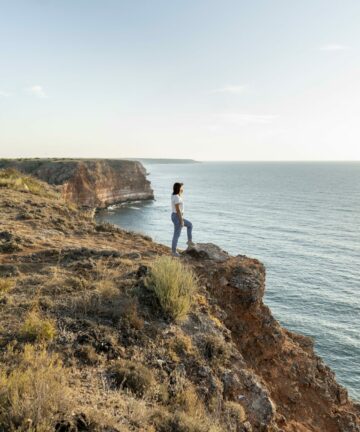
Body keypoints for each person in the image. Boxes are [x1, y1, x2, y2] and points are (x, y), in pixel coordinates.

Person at [171, 182, 195, 257]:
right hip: (177, 216)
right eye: (182, 187)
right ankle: (174, 252)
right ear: (179, 188)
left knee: (189, 225)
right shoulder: (177, 197)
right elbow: (178, 210)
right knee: (177, 234)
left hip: (176, 216)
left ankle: (189, 241)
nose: (183, 189)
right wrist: (181, 220)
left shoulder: (175, 195)